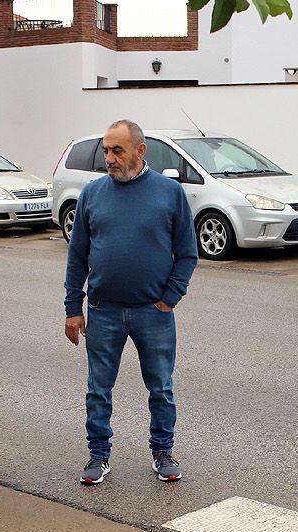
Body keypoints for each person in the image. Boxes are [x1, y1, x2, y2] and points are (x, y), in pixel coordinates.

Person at [63, 119, 198, 485]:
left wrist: (170, 298)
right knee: (98, 389)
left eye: (117, 150)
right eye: (106, 150)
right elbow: (77, 256)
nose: (109, 158)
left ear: (140, 151)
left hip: (152, 312)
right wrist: (73, 309)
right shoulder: (92, 193)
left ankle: (163, 452)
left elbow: (188, 253)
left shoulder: (169, 193)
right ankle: (98, 456)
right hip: (103, 312)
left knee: (161, 387)